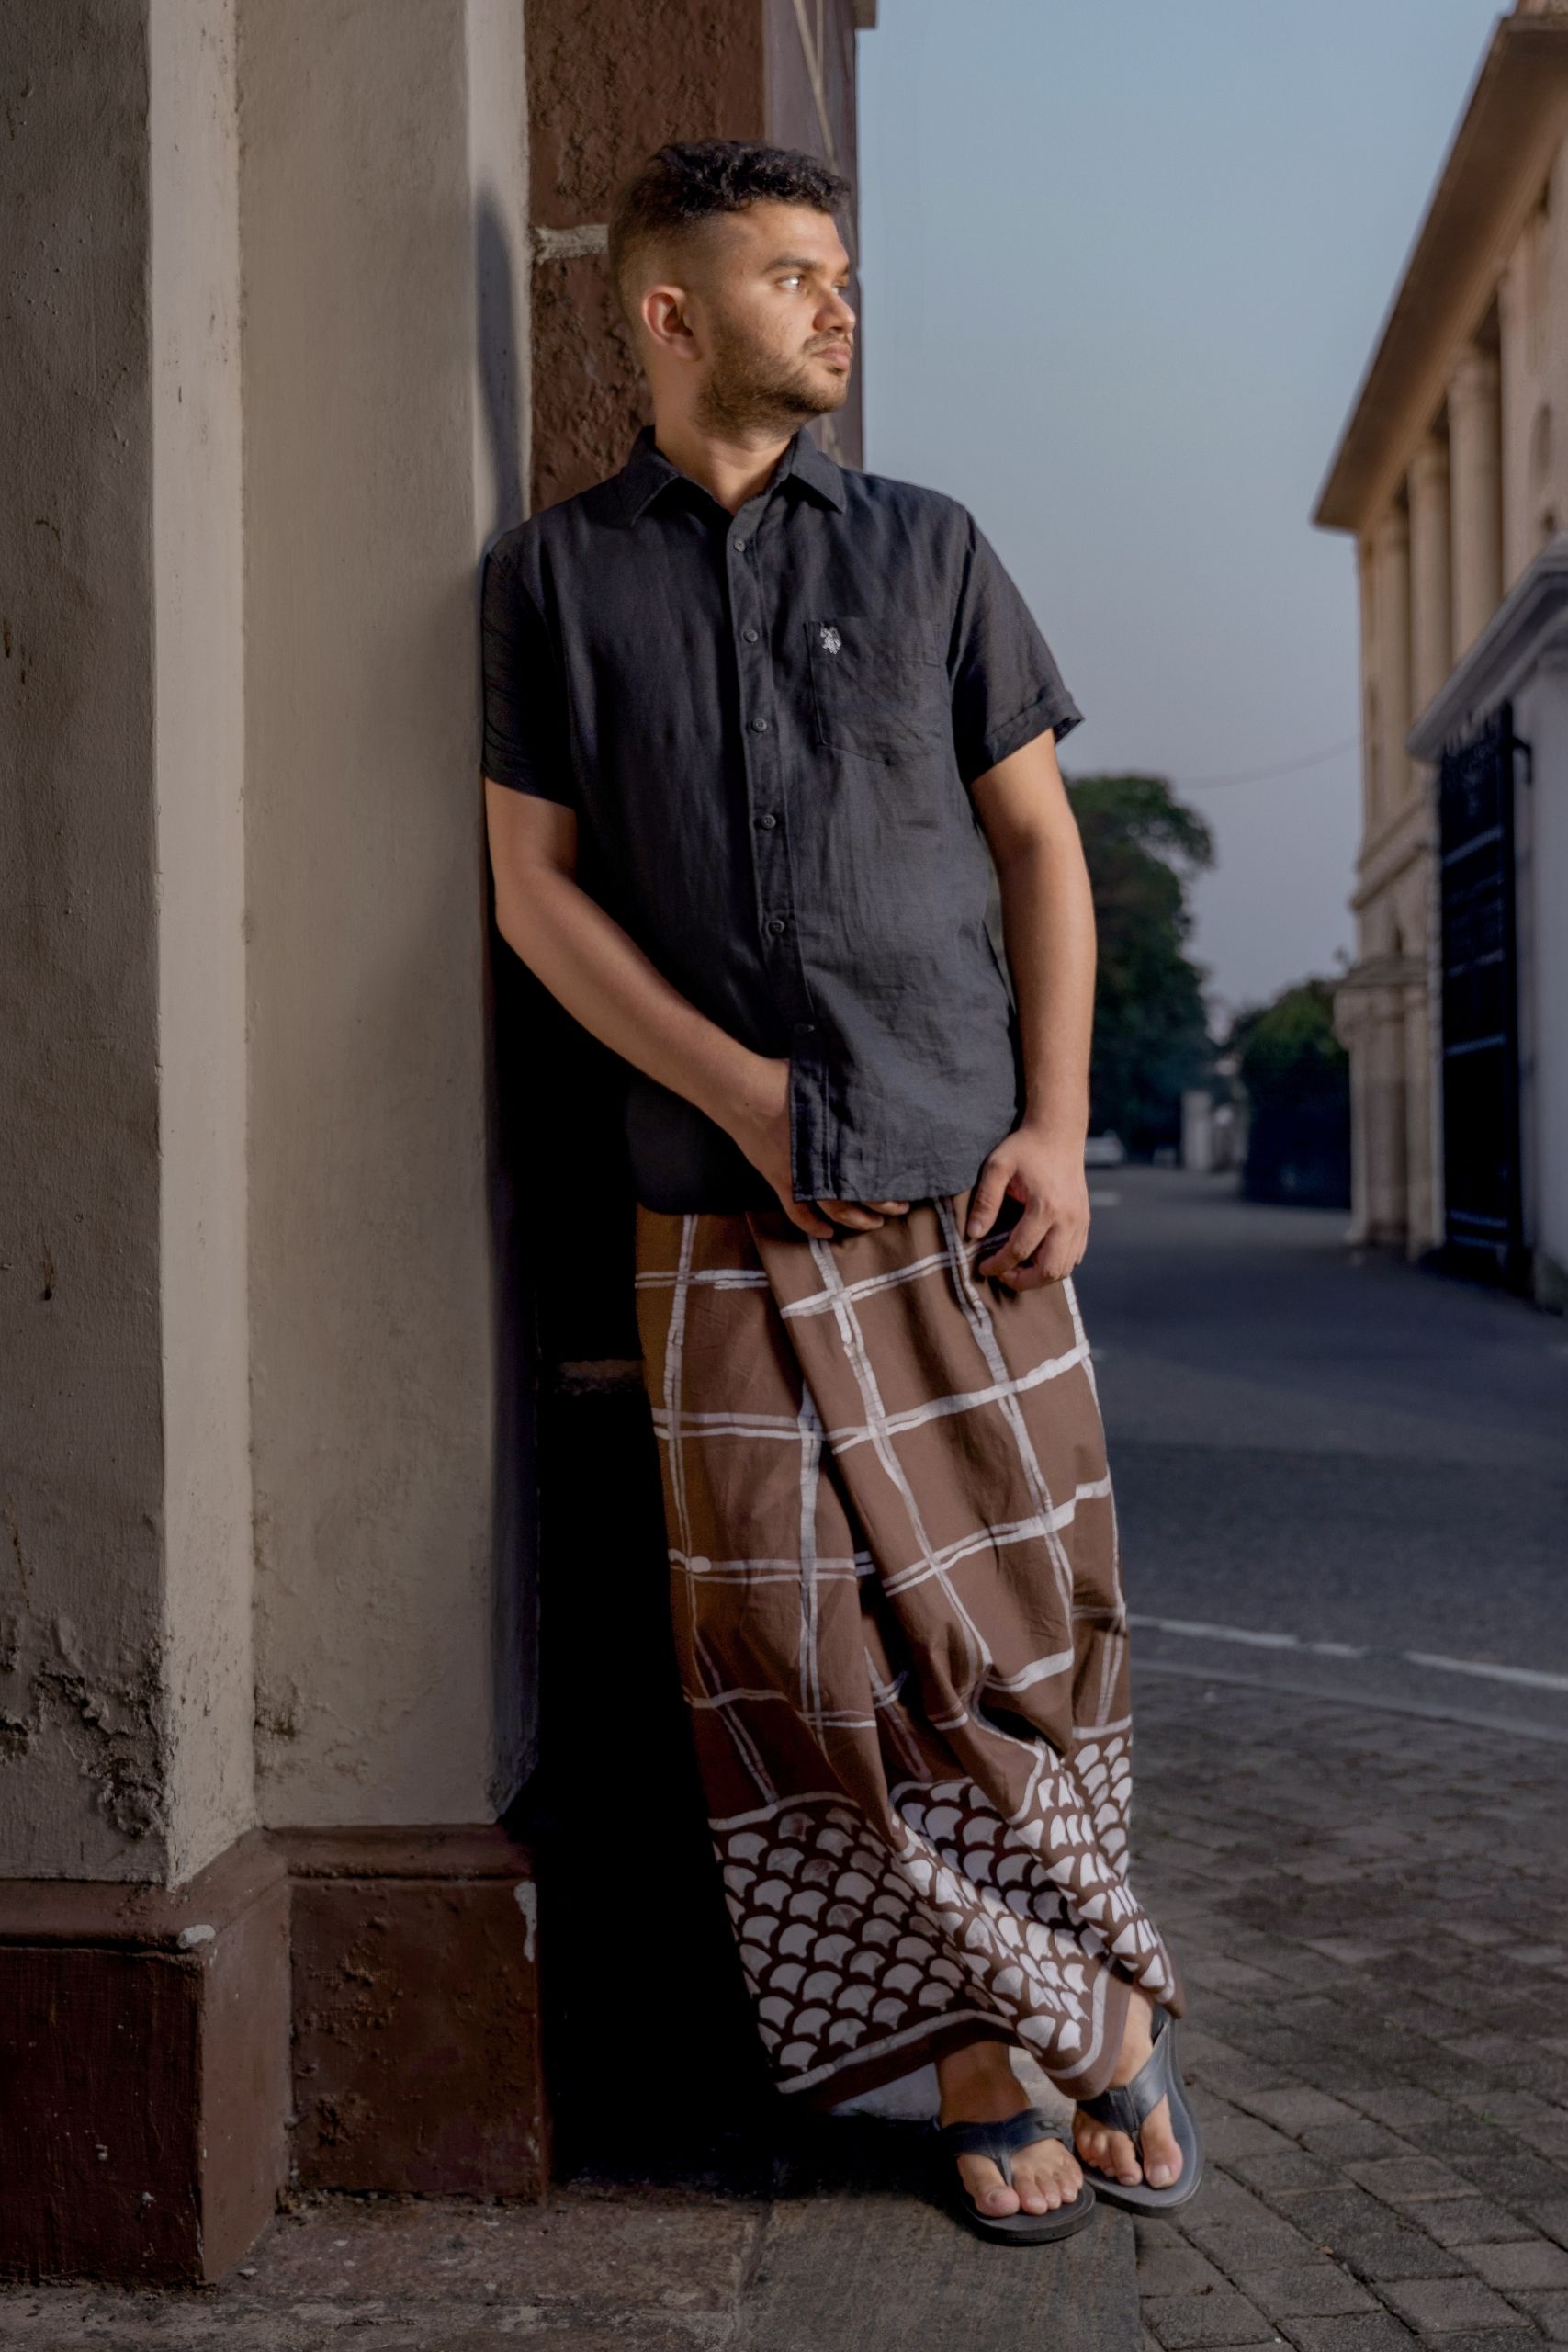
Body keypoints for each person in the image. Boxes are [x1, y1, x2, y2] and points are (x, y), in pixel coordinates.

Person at [480, 138, 1200, 2242]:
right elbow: (530, 889)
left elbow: (1038, 846)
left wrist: (1055, 1123)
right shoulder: (551, 582)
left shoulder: (927, 548)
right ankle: (1000, 2039)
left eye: (840, 270)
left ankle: (1076, 2011)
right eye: (790, 272)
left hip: (961, 1191)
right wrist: (734, 1090)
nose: (835, 302)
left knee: (1013, 1634)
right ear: (667, 313)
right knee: (787, 1653)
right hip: (708, 1205)